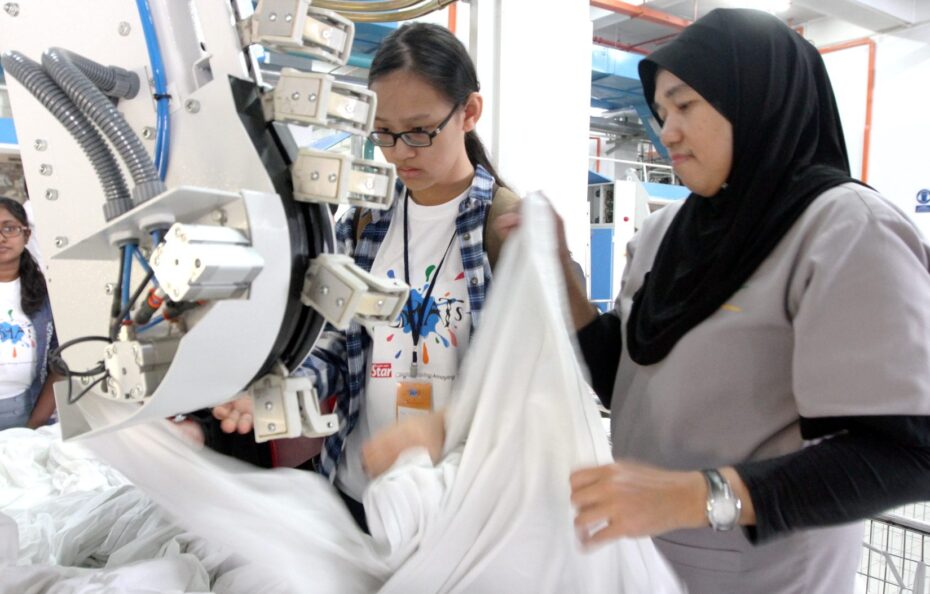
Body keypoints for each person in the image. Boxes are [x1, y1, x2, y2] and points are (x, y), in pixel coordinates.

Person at [549, 9, 930, 594]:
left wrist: (701, 495)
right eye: (660, 111)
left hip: (769, 572)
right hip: (645, 563)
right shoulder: (664, 234)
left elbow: (906, 453)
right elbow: (627, 382)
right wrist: (558, 275)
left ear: (756, 99)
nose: (666, 131)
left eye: (686, 105)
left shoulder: (842, 229)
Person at [212, 22, 515, 530]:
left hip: (457, 509)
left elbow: (528, 388)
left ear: (469, 112)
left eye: (419, 131)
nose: (398, 152)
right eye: (384, 133)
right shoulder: (365, 221)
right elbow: (337, 342)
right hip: (358, 491)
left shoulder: (504, 230)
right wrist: (279, 390)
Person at [0, 196, 59, 430]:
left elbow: (62, 362)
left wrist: (33, 427)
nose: (1, 237)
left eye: (9, 228)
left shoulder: (47, 294)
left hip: (26, 411)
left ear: (27, 235)